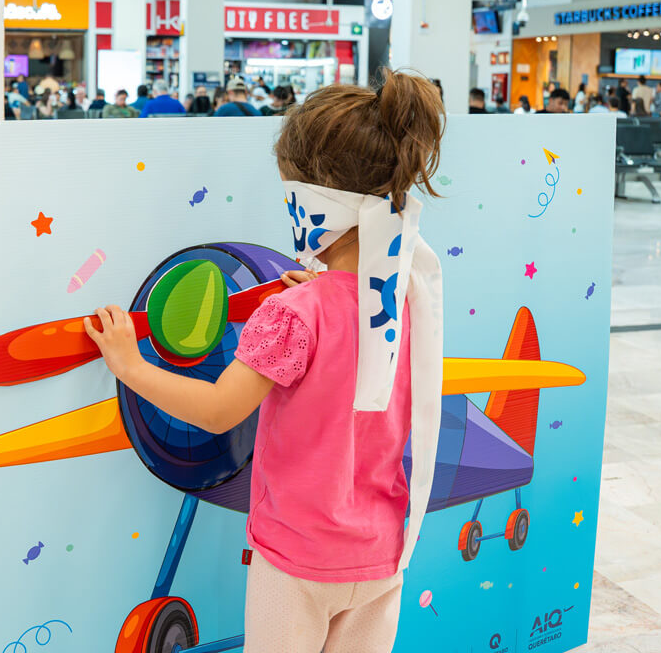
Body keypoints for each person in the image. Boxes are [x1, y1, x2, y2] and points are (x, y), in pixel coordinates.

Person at [83, 69, 446, 653]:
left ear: (313, 203)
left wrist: (129, 365)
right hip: (380, 554)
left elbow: (219, 410)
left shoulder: (294, 313)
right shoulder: (406, 297)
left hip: (298, 558)